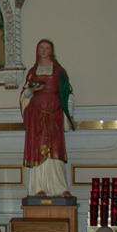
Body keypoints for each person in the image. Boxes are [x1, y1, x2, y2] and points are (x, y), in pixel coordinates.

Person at [20, 39, 74, 196]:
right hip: (36, 115)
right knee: (38, 147)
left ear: (52, 51)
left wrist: (67, 113)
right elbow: (25, 94)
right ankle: (39, 187)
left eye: (47, 48)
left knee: (55, 148)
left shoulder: (59, 71)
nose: (44, 51)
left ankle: (59, 187)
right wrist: (33, 90)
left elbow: (66, 92)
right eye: (41, 48)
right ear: (37, 51)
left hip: (54, 114)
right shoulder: (33, 71)